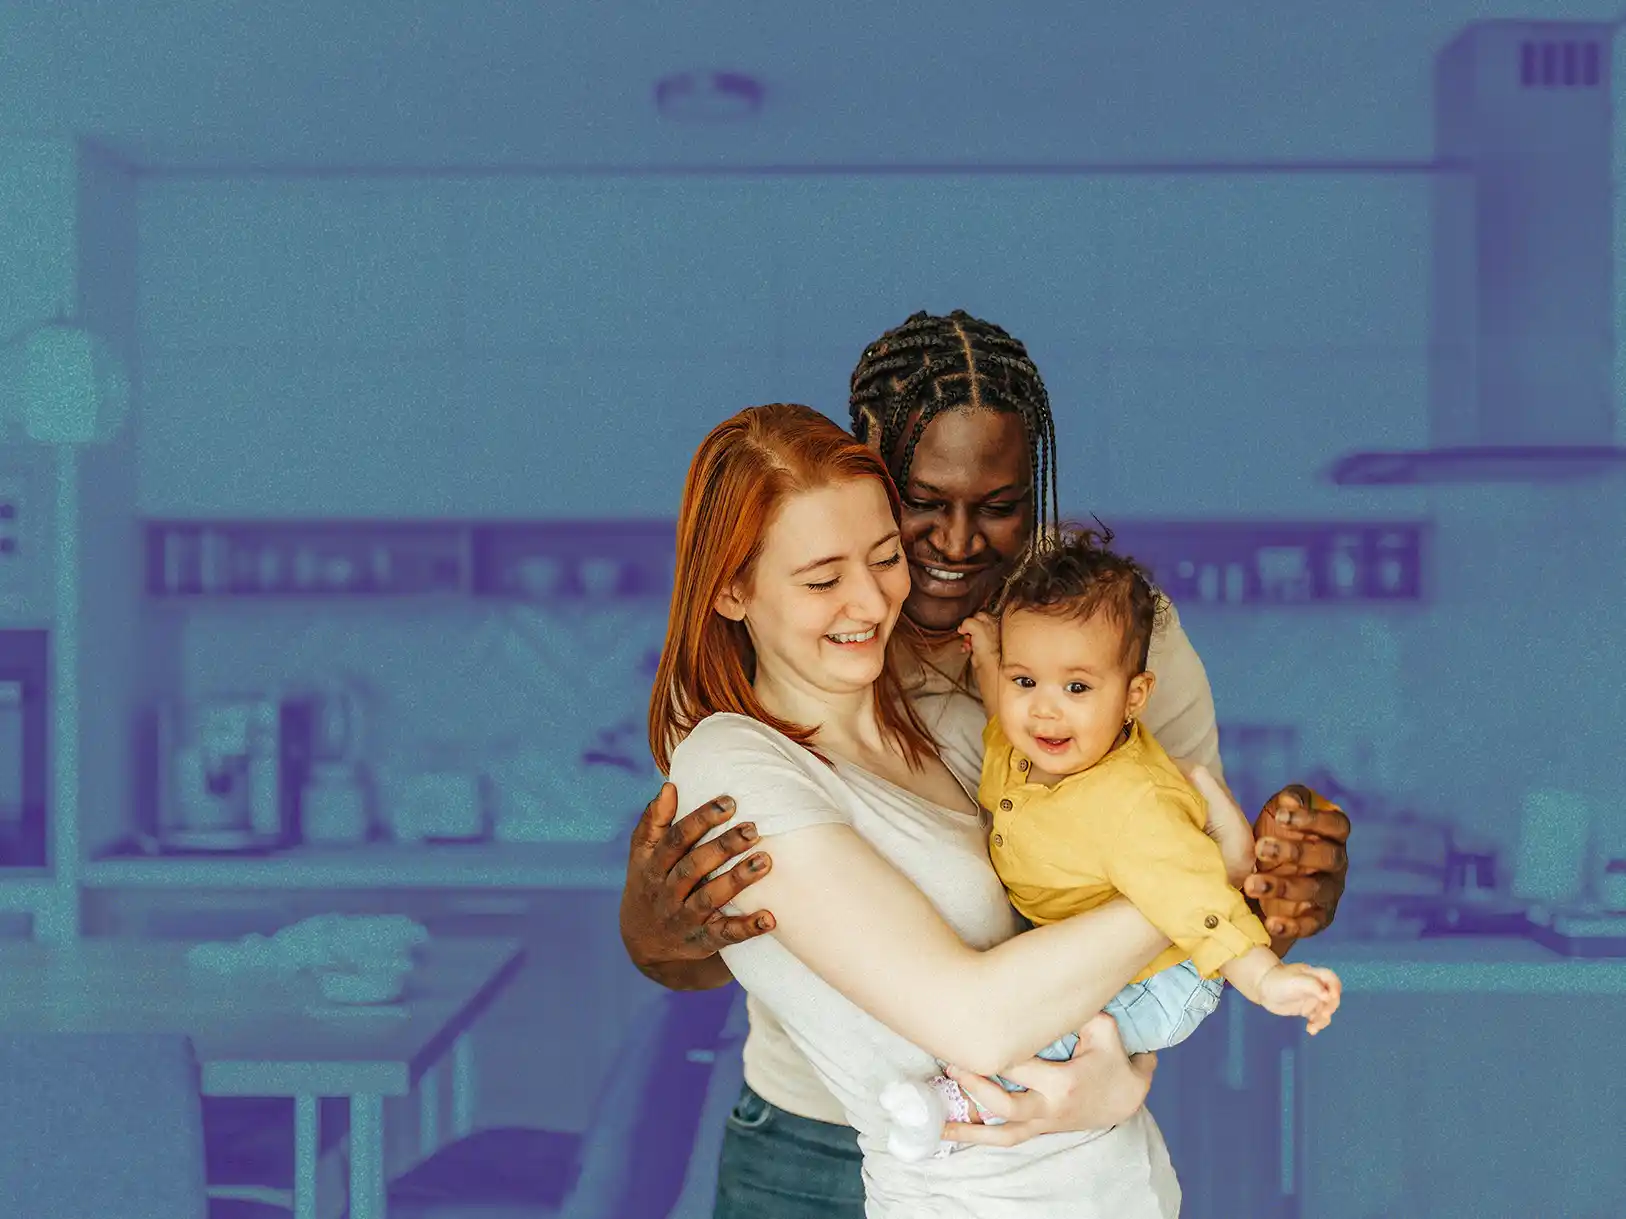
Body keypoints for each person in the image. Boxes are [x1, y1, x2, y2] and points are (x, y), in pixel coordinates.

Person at [619, 310, 1353, 1218]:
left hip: (1061, 1129)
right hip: (809, 1124)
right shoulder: (776, 683)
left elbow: (1190, 897)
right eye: (921, 503)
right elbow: (737, 934)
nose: (954, 544)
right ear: (870, 469)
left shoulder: (1107, 630)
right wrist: (653, 930)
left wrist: (1270, 904)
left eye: (997, 505)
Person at [881, 528, 1342, 1162]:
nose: (1045, 711)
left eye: (1076, 688)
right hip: (1099, 948)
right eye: (1026, 681)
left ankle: (952, 1109)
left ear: (1134, 697)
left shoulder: (1134, 807)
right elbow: (1001, 713)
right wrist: (991, 656)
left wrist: (1268, 982)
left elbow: (1203, 902)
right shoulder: (1025, 744)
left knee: (1046, 1028)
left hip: (1160, 982)